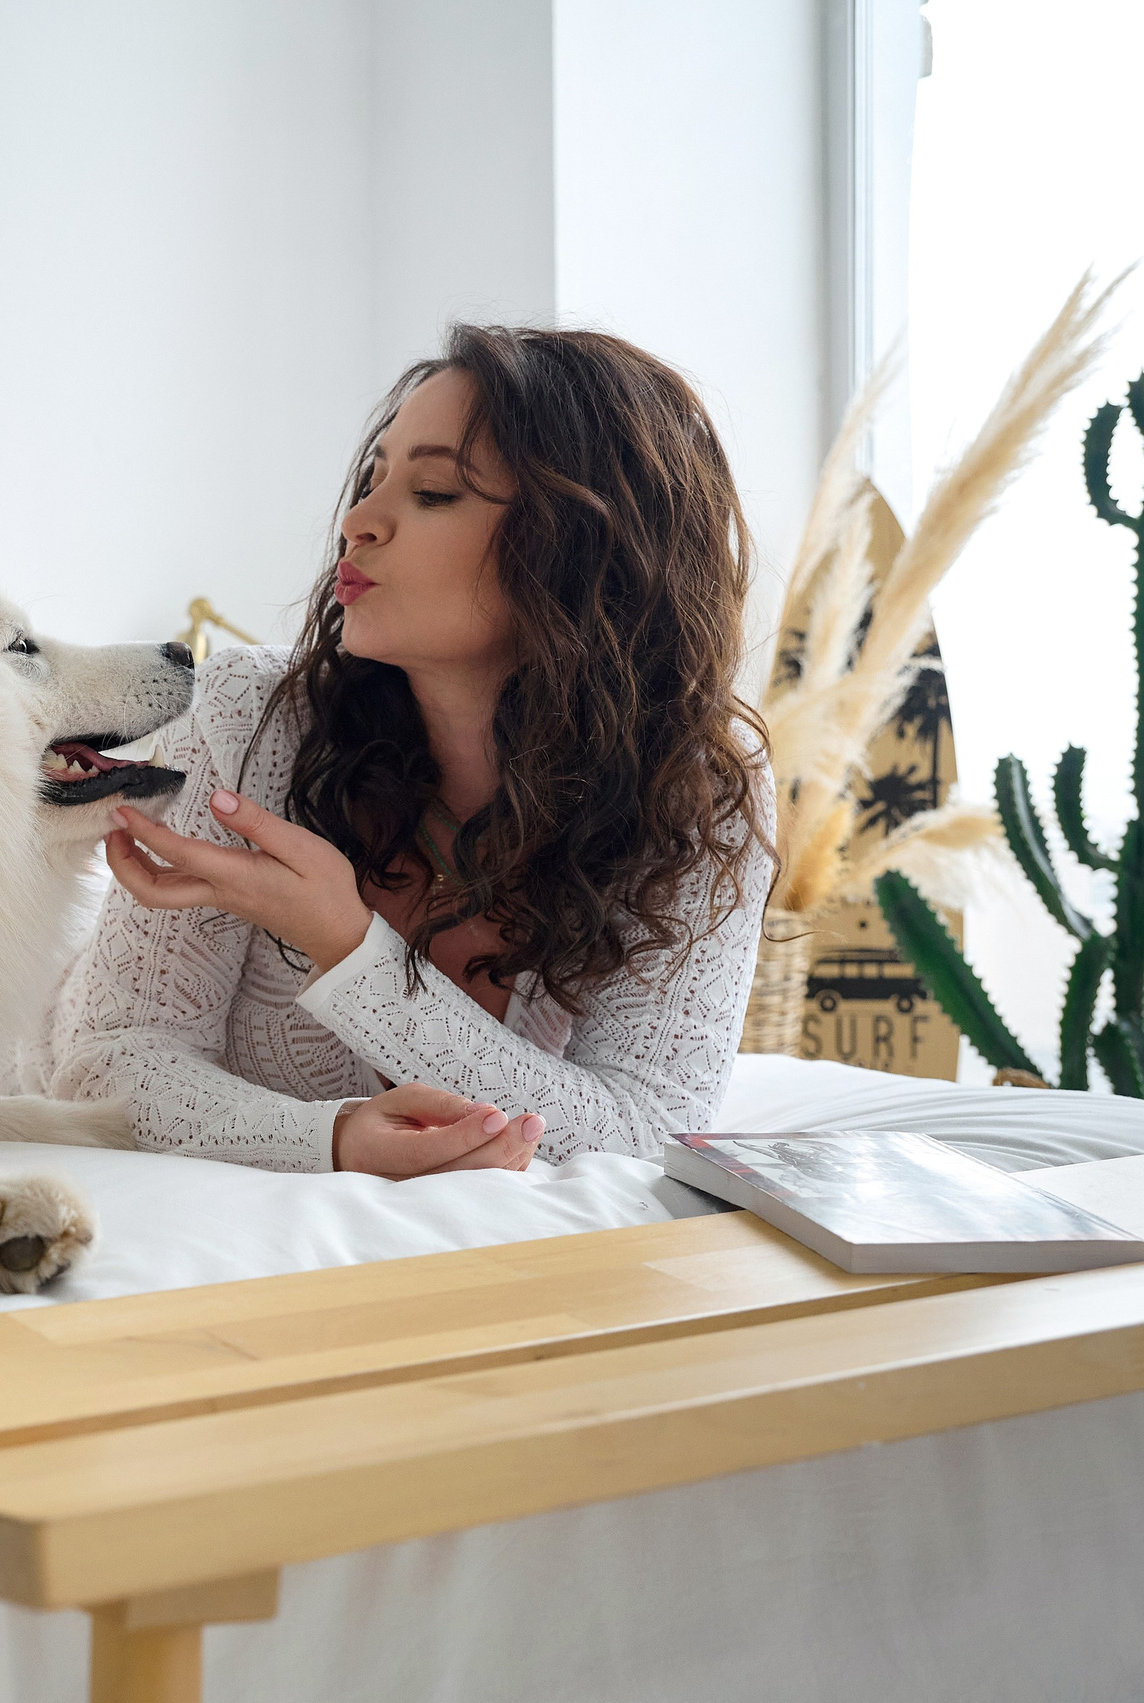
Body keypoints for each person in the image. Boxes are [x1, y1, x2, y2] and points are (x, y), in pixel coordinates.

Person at [45, 325, 775, 1179]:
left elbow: (650, 1127)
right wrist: (336, 1138)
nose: (357, 523)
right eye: (371, 478)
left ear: (579, 549)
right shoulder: (249, 719)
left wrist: (347, 944)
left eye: (431, 492)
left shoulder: (695, 792)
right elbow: (107, 1061)